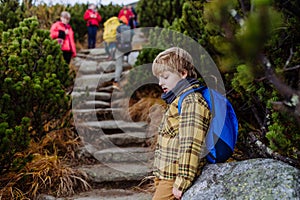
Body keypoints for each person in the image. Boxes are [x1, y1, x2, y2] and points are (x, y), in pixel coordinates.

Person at [151, 47, 212, 200]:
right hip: (166, 175)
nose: (160, 82)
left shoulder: (191, 101)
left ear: (183, 73)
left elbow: (190, 143)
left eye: (165, 76)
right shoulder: (179, 99)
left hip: (175, 177)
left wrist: (183, 180)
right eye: (159, 78)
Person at [112, 18, 133, 90]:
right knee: (129, 62)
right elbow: (132, 36)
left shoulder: (118, 28)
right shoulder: (128, 28)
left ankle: (116, 82)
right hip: (127, 47)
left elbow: (115, 38)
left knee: (118, 65)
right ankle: (129, 81)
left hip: (119, 48)